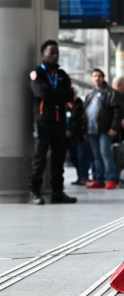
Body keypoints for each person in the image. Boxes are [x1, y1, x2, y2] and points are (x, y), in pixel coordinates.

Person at [28, 40, 77, 205]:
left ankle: (58, 192)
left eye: (57, 53)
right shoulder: (37, 73)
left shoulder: (62, 75)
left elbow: (70, 96)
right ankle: (34, 192)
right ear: (44, 54)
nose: (55, 56)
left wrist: (53, 93)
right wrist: (59, 94)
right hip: (43, 122)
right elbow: (40, 92)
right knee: (39, 158)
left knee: (58, 159)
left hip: (60, 122)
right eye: (52, 53)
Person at [84, 69, 123, 190]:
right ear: (91, 78)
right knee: (96, 156)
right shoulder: (90, 95)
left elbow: (118, 111)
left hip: (106, 130)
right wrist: (85, 130)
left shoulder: (111, 93)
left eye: (99, 76)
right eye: (95, 76)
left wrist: (114, 127)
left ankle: (111, 179)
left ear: (103, 78)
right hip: (92, 131)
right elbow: (84, 114)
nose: (97, 78)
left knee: (106, 154)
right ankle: (99, 179)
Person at [67, 88, 92, 186]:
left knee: (82, 157)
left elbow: (83, 121)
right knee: (74, 158)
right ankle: (79, 176)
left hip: (80, 135)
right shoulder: (66, 106)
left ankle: (83, 177)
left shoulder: (81, 106)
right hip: (70, 137)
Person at [112, 76, 124, 142]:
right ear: (118, 85)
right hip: (112, 131)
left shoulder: (122, 96)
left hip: (121, 131)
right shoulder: (109, 96)